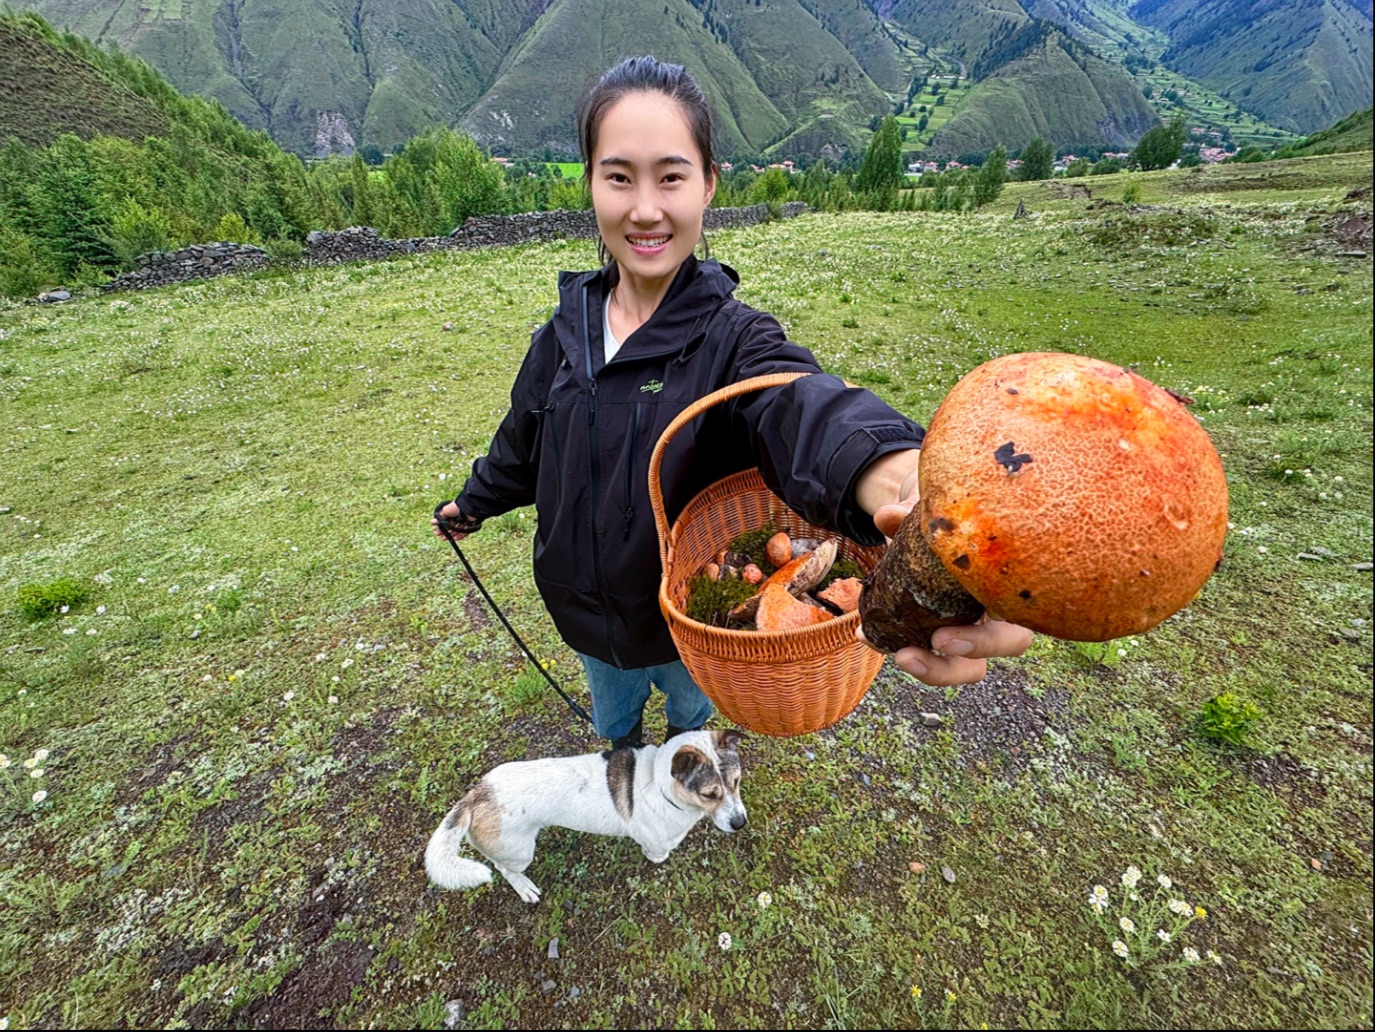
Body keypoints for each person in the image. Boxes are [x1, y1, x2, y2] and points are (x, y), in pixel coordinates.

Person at [434, 56, 1032, 749]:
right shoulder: (560, 337)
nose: (645, 209)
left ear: (708, 184)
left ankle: (686, 747)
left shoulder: (736, 342)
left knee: (688, 718)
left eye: (671, 176)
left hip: (692, 623)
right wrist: (472, 504)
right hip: (584, 613)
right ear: (590, 182)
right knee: (615, 722)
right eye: (619, 177)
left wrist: (900, 477)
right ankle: (624, 757)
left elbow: (797, 406)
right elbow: (522, 444)